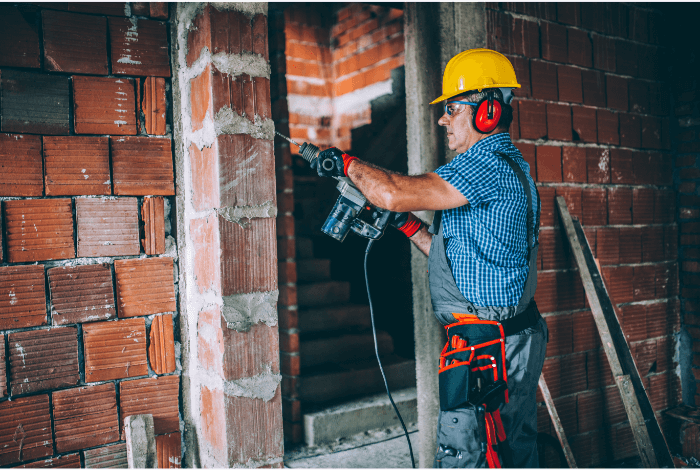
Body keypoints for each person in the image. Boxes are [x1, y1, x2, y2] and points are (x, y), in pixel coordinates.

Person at [312, 48, 547, 468]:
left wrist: (346, 163)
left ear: (487, 112)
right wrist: (407, 227)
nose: (443, 119)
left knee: (469, 457)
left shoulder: (485, 164)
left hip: (489, 348)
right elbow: (465, 257)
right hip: (510, 337)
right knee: (510, 450)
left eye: (452, 108)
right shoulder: (512, 167)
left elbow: (392, 191)